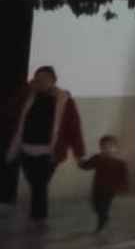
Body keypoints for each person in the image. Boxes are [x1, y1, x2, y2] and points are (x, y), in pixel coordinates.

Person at [4, 66, 87, 225]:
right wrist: (26, 89)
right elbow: (9, 110)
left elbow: (74, 128)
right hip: (26, 149)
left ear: (53, 80)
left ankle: (38, 217)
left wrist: (79, 154)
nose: (40, 82)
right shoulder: (28, 96)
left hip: (50, 153)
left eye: (45, 79)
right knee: (34, 182)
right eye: (38, 78)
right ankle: (37, 216)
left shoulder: (64, 101)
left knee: (39, 184)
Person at [76, 135, 130, 233]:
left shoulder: (120, 163)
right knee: (95, 205)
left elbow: (124, 177)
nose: (107, 149)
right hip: (97, 188)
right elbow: (87, 165)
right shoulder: (98, 158)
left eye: (110, 147)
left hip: (110, 190)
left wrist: (123, 187)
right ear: (101, 148)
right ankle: (103, 217)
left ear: (115, 148)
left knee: (104, 206)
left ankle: (101, 223)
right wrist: (80, 162)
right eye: (104, 147)